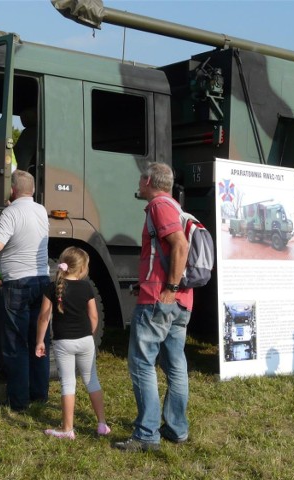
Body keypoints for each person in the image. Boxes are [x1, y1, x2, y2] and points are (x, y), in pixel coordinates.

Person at [114, 162, 193, 452]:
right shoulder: (175, 206)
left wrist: (168, 290)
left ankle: (147, 435)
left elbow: (180, 246)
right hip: (182, 300)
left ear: (148, 180)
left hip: (161, 300)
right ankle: (176, 429)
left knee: (141, 363)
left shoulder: (160, 206)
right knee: (175, 365)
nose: (138, 184)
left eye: (140, 179)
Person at [0, 169, 50, 411]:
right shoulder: (41, 210)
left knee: (15, 343)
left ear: (12, 190)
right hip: (41, 281)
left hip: (17, 283)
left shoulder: (11, 213)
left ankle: (18, 401)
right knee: (38, 339)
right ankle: (39, 394)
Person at [35, 247, 110, 440]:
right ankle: (102, 423)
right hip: (85, 340)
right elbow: (94, 316)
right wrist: (89, 335)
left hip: (63, 342)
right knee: (91, 379)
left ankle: (68, 429)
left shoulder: (52, 288)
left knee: (68, 383)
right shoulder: (87, 287)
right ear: (83, 268)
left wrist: (39, 342)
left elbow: (44, 318)